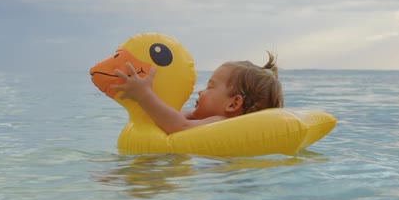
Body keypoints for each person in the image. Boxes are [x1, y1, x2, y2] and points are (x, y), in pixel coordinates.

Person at [112, 52, 284, 134]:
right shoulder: (205, 119)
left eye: (210, 87)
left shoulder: (220, 121)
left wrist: (144, 95)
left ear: (233, 104)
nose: (201, 91)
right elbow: (175, 116)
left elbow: (178, 126)